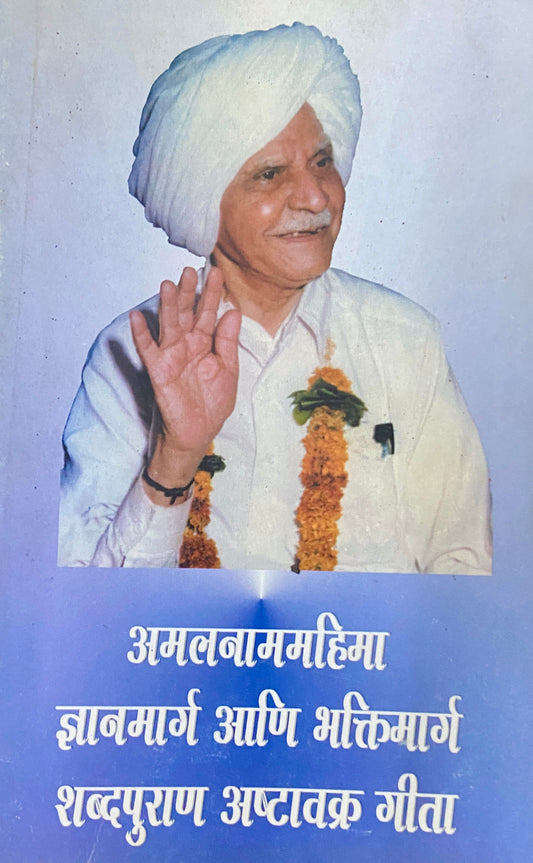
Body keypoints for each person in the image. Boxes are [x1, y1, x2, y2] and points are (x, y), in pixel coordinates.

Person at [58, 22, 492, 573]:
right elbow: (89, 601)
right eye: (269, 174)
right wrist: (175, 457)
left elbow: (463, 569)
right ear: (203, 200)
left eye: (322, 161)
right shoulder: (129, 354)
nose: (314, 197)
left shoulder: (405, 341)